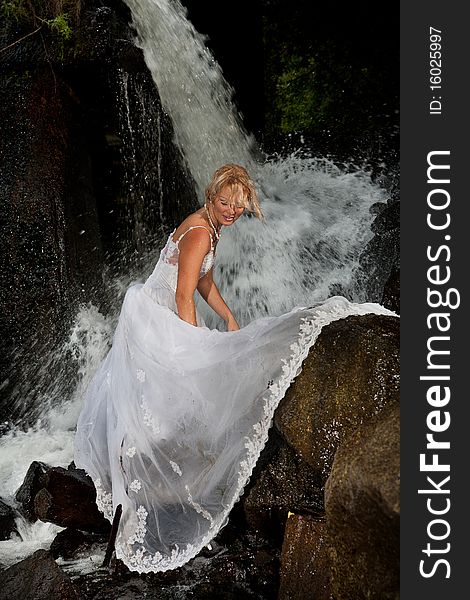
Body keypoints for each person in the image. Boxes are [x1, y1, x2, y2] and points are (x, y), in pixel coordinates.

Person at [74, 163, 392, 573]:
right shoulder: (201, 231)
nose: (230, 210)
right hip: (159, 318)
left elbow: (205, 282)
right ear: (211, 197)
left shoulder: (211, 225)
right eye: (224, 202)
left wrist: (226, 317)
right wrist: (194, 348)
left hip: (170, 310)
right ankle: (146, 491)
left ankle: (162, 482)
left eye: (237, 206)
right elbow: (184, 293)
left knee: (175, 404)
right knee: (178, 396)